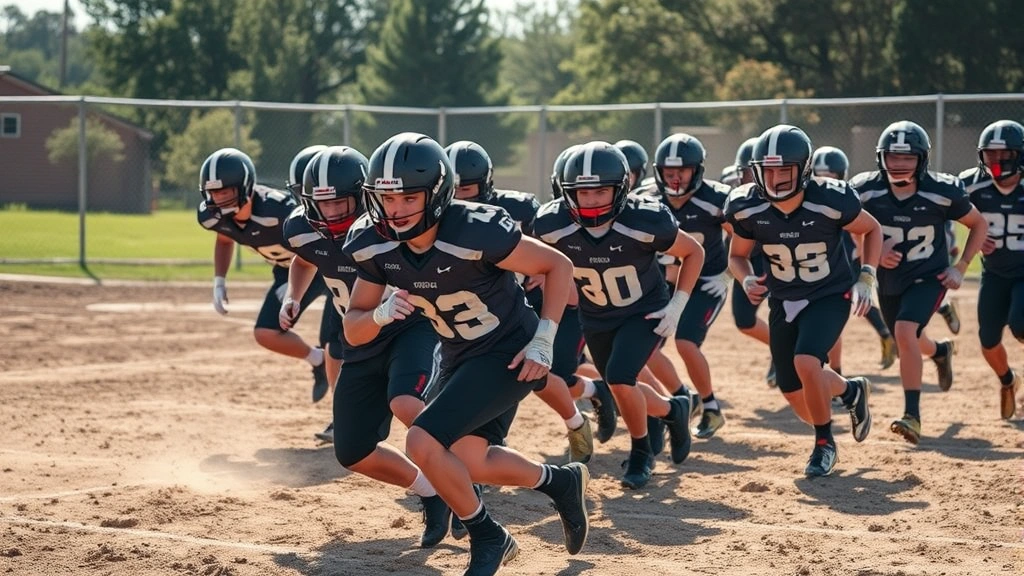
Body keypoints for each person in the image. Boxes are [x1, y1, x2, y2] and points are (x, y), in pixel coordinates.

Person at [342, 133, 589, 575]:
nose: (394, 210)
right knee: (471, 458)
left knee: (422, 440)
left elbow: (559, 266)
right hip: (460, 354)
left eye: (407, 197)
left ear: (436, 194)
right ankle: (561, 481)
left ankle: (489, 536)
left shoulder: (475, 229)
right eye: (386, 198)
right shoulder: (373, 242)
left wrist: (545, 338)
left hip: (512, 351)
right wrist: (378, 315)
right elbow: (354, 331)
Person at [280, 145, 450, 547]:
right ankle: (430, 490)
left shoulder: (390, 228)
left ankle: (461, 481)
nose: (331, 214)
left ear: (363, 196)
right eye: (321, 205)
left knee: (406, 403)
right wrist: (293, 296)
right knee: (352, 451)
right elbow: (305, 258)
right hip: (359, 331)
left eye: (341, 203)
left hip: (412, 326)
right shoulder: (301, 227)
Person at [533, 141, 703, 489]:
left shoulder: (644, 218)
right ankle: (674, 410)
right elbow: (540, 262)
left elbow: (694, 253)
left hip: (645, 310)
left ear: (621, 188)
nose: (592, 201)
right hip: (596, 315)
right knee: (618, 383)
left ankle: (642, 453)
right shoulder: (552, 224)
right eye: (582, 193)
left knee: (622, 379)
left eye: (601, 192)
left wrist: (677, 305)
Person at [727, 124, 879, 477]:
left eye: (785, 170)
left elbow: (870, 229)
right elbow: (737, 255)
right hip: (784, 298)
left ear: (805, 169)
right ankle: (851, 390)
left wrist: (866, 277)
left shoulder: (830, 198)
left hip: (829, 294)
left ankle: (824, 445)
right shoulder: (746, 205)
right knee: (793, 391)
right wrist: (745, 276)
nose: (776, 179)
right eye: (768, 170)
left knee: (807, 362)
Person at [443, 140, 597, 462]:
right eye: (452, 190)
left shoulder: (521, 209)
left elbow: (559, 251)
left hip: (534, 303)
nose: (459, 197)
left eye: (467, 188)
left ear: (485, 183)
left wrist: (543, 267)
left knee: (536, 374)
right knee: (511, 375)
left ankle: (576, 421)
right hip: (478, 309)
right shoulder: (435, 218)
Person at [852, 120, 988, 445]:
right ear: (880, 158)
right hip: (890, 277)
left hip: (929, 275)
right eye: (893, 158)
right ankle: (940, 351)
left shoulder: (941, 190)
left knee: (902, 331)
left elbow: (979, 223)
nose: (899, 165)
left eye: (907, 158)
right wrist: (873, 253)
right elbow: (853, 226)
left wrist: (962, 266)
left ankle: (912, 415)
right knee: (909, 338)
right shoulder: (866, 188)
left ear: (922, 159)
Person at [196, 147, 333, 402]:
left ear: (245, 187)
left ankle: (344, 419)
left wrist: (295, 287)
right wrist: (219, 280)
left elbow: (315, 242)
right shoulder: (212, 215)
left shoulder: (278, 210)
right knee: (266, 332)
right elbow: (225, 240)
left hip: (325, 266)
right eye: (213, 192)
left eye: (225, 191)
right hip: (287, 272)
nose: (218, 199)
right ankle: (318, 361)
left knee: (335, 341)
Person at [650, 133, 732, 439]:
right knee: (644, 349)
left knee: (686, 342)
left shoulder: (716, 199)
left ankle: (711, 407)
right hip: (663, 285)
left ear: (696, 170)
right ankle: (684, 397)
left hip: (705, 282)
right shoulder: (648, 199)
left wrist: (728, 274)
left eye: (681, 171)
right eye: (668, 172)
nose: (674, 179)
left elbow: (743, 236)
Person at [810, 145, 898, 372]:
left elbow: (861, 231)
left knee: (847, 304)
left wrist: (862, 258)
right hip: (819, 261)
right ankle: (885, 333)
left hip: (843, 257)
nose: (825, 182)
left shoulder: (843, 198)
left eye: (830, 177)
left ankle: (837, 370)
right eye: (819, 177)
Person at [960, 120, 1024, 419]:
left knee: (1020, 324)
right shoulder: (971, 184)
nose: (997, 163)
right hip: (995, 272)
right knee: (988, 341)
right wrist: (976, 236)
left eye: (1005, 155)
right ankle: (1009, 380)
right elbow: (942, 214)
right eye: (990, 155)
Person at [729, 137, 777, 386]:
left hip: (783, 260)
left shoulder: (786, 195)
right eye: (746, 172)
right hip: (750, 260)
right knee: (744, 321)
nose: (750, 178)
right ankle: (779, 349)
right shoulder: (737, 197)